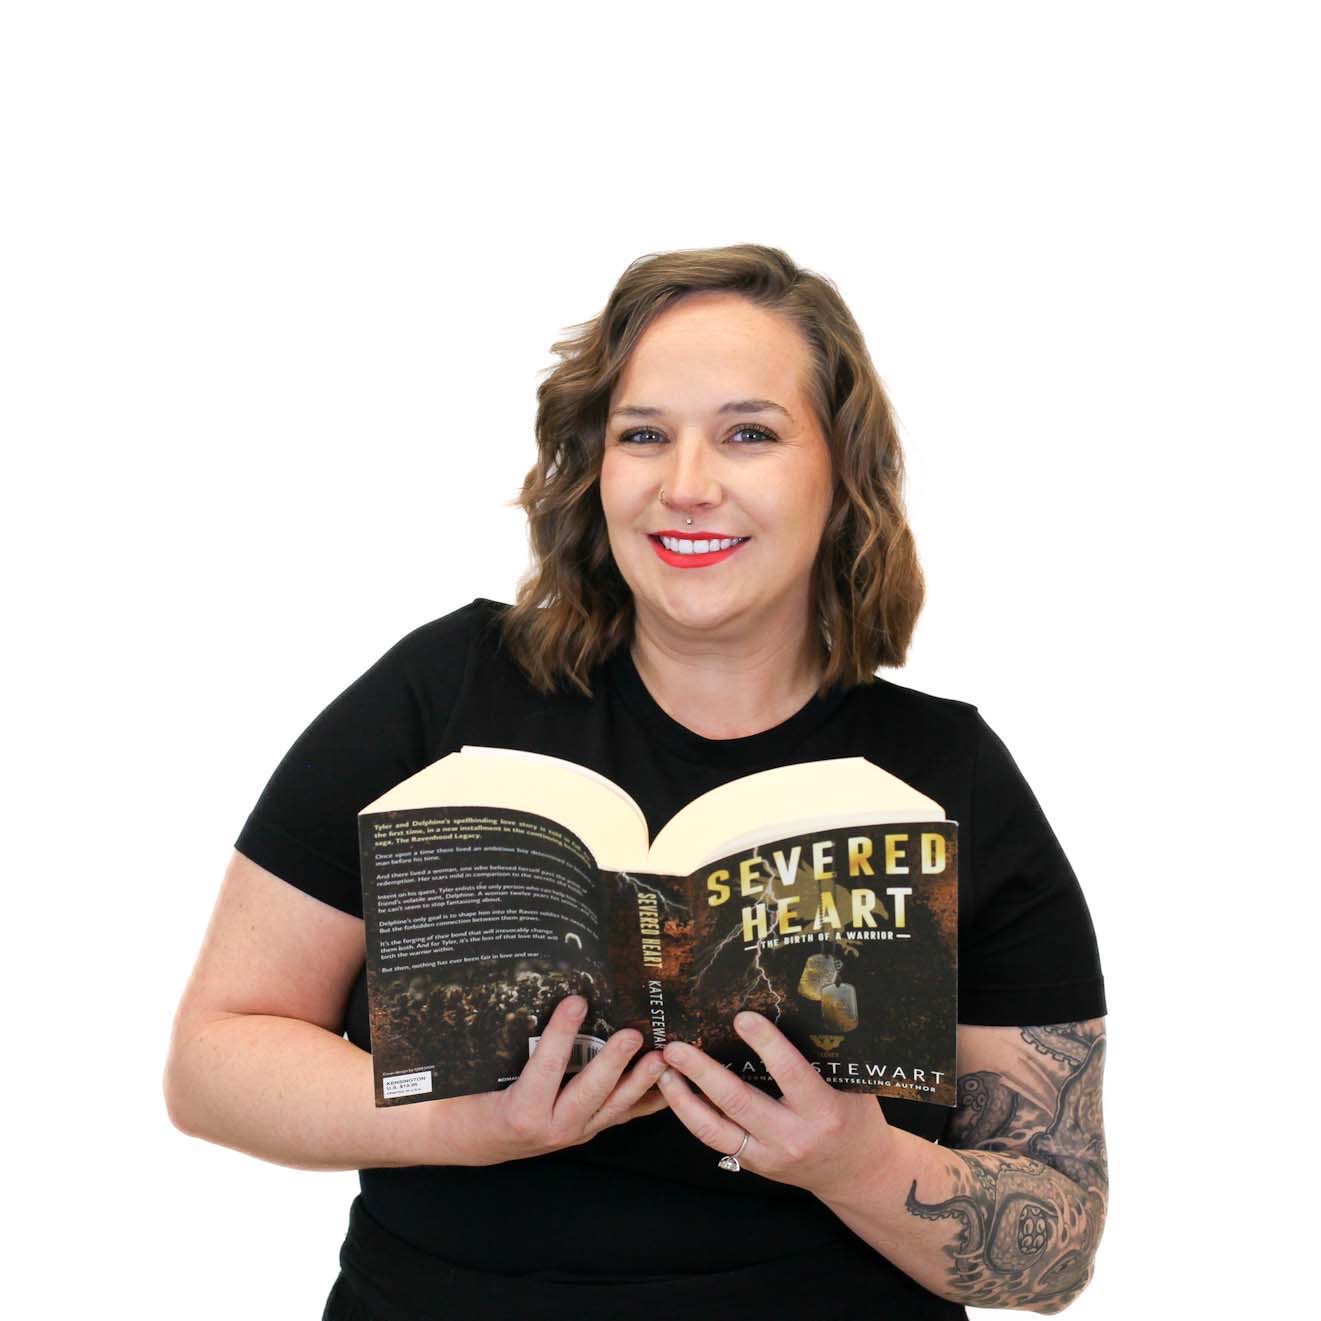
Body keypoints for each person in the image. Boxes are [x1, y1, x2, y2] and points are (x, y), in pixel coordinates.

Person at [164, 244, 1107, 1319]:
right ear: (594, 469)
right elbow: (211, 1063)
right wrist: (469, 1125)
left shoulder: (947, 773)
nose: (685, 485)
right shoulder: (444, 691)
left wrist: (856, 1161)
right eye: (642, 435)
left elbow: (1058, 1246)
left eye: (749, 433)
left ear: (842, 476)